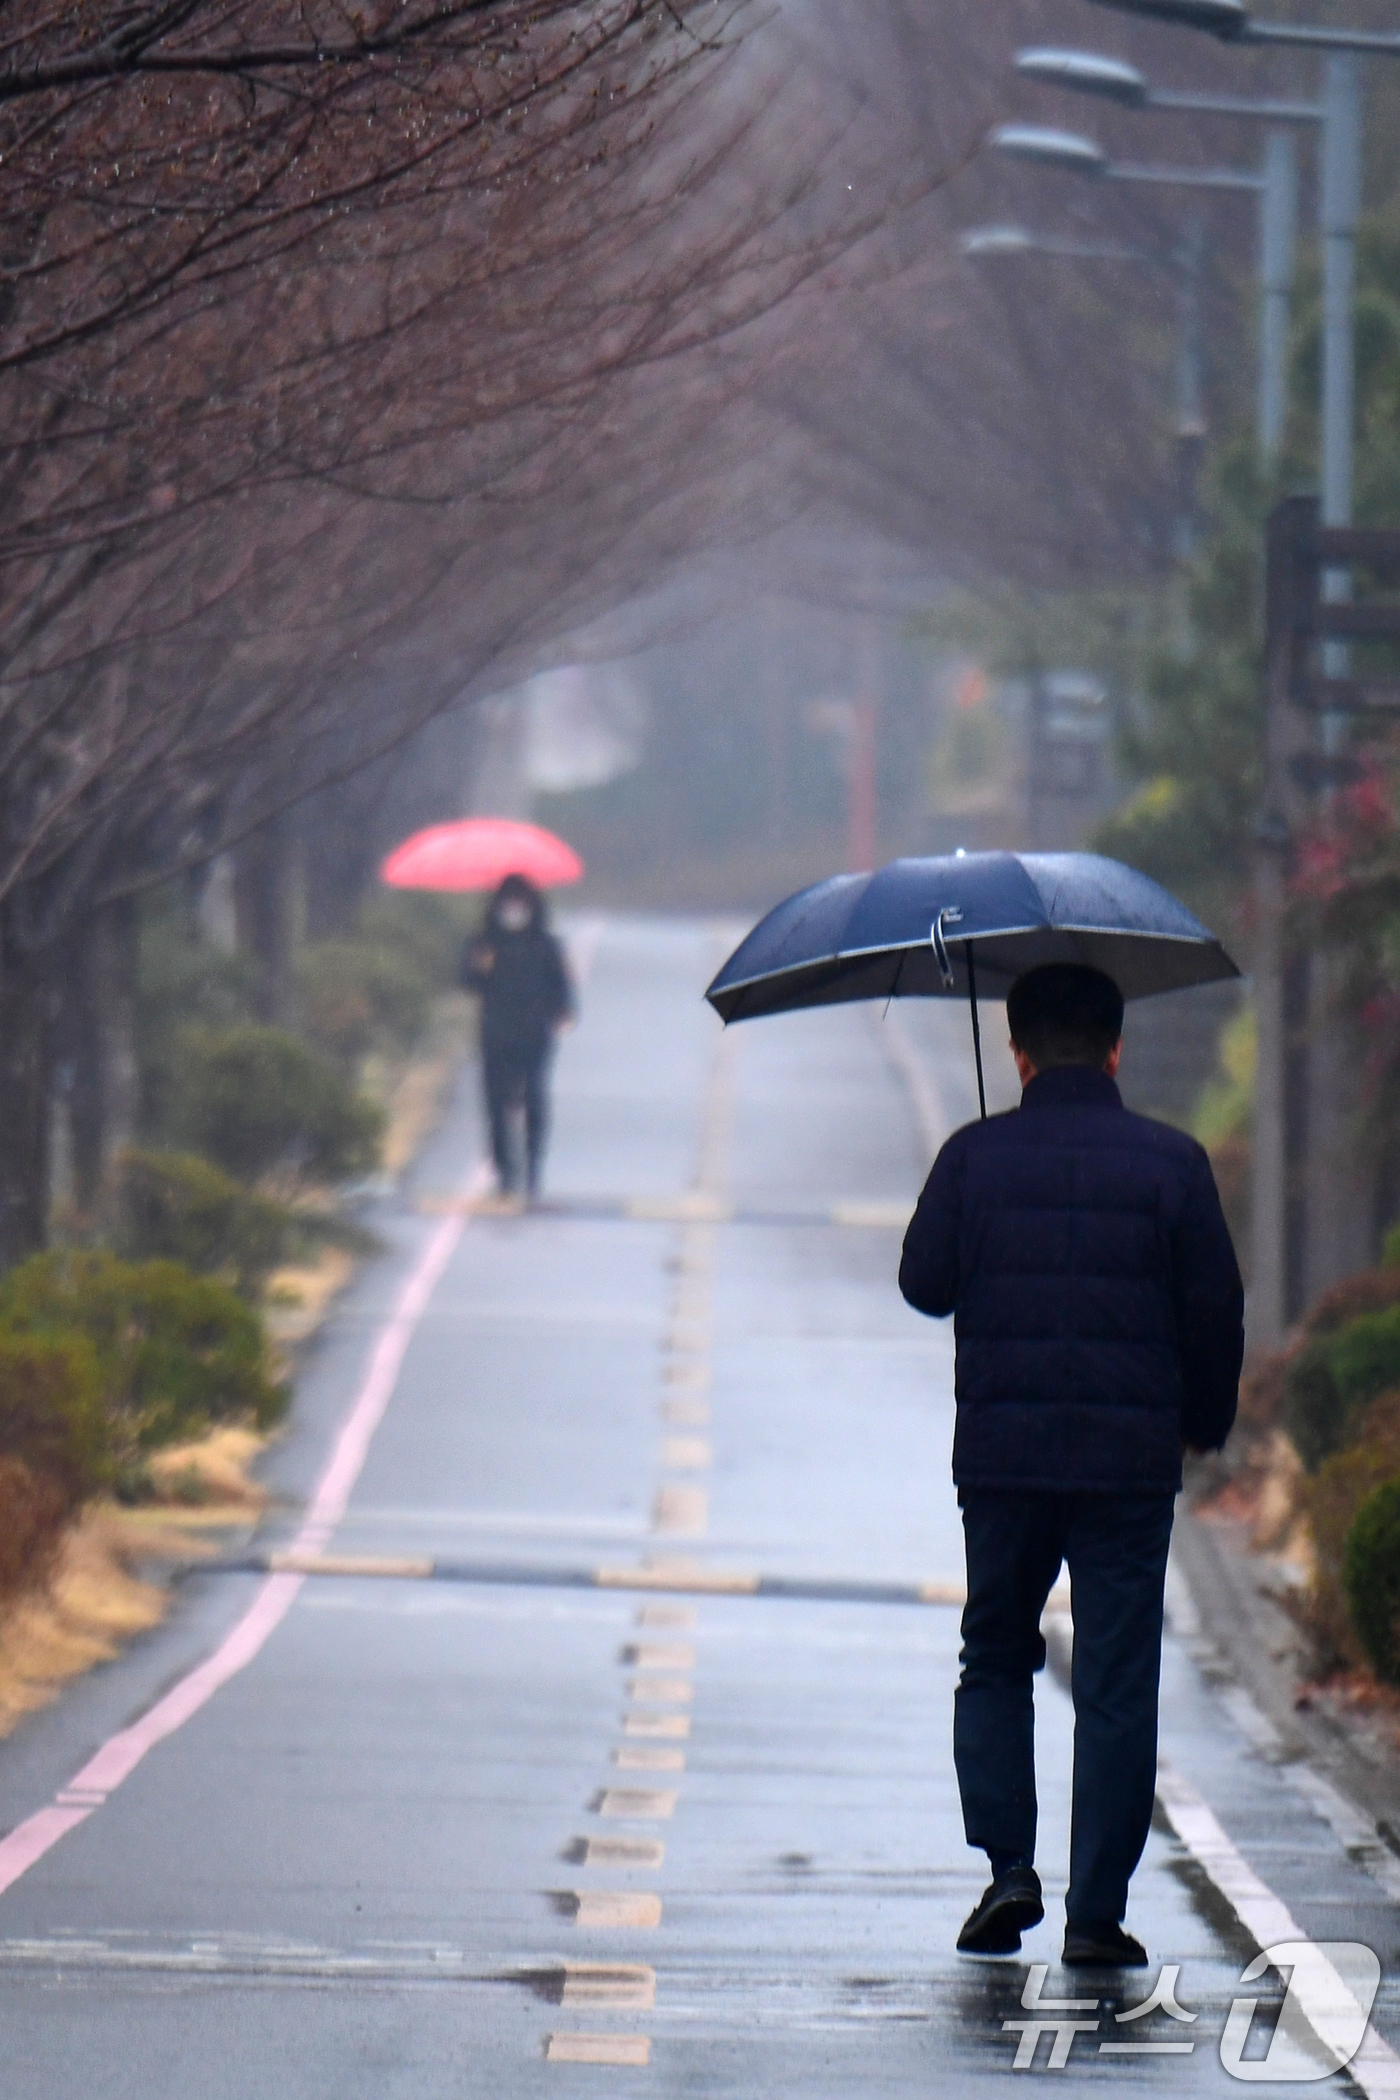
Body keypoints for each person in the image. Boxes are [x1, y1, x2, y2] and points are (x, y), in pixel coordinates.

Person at [898, 962, 1243, 1968]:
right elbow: (1213, 1309)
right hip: (1127, 1466)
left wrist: (971, 1195)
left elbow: (923, 1284)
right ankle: (1095, 1913)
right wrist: (1203, 1423)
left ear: (1015, 1055)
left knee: (995, 1653)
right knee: (1116, 1678)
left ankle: (1008, 1868)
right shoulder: (1172, 1163)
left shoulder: (974, 1156)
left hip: (1003, 1462)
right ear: (1115, 1050)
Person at [460, 873, 575, 1201]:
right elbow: (467, 982)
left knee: (535, 1100)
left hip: (534, 1035)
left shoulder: (546, 944)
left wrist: (562, 1011)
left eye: (519, 901)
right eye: (507, 902)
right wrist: (479, 967)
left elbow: (560, 985)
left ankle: (533, 1167)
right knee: (495, 1104)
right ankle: (504, 1170)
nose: (513, 908)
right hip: (495, 1034)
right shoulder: (484, 943)